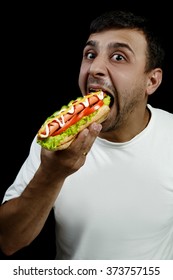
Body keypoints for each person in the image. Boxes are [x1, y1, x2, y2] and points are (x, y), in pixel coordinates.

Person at [0, 9, 173, 260]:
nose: (95, 68)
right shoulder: (52, 138)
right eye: (90, 55)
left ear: (152, 81)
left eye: (118, 57)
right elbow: (8, 240)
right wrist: (51, 174)